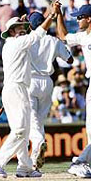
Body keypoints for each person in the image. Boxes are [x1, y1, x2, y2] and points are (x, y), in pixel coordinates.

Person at [0, 1, 60, 178]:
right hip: (15, 90)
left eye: (23, 27)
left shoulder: (19, 41)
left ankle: (25, 167)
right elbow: (38, 34)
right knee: (20, 130)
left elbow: (32, 34)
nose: (21, 29)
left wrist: (25, 21)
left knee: (24, 131)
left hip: (19, 89)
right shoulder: (15, 43)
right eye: (17, 28)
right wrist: (51, 15)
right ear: (10, 32)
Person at [56, 3, 91, 177]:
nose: (77, 20)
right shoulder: (83, 35)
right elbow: (63, 36)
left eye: (80, 17)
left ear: (89, 19)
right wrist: (58, 14)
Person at [26, 11, 73, 171]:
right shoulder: (53, 40)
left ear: (31, 25)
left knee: (33, 121)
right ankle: (34, 159)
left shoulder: (28, 39)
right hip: (47, 82)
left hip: (30, 80)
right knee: (38, 121)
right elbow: (70, 59)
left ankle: (39, 143)